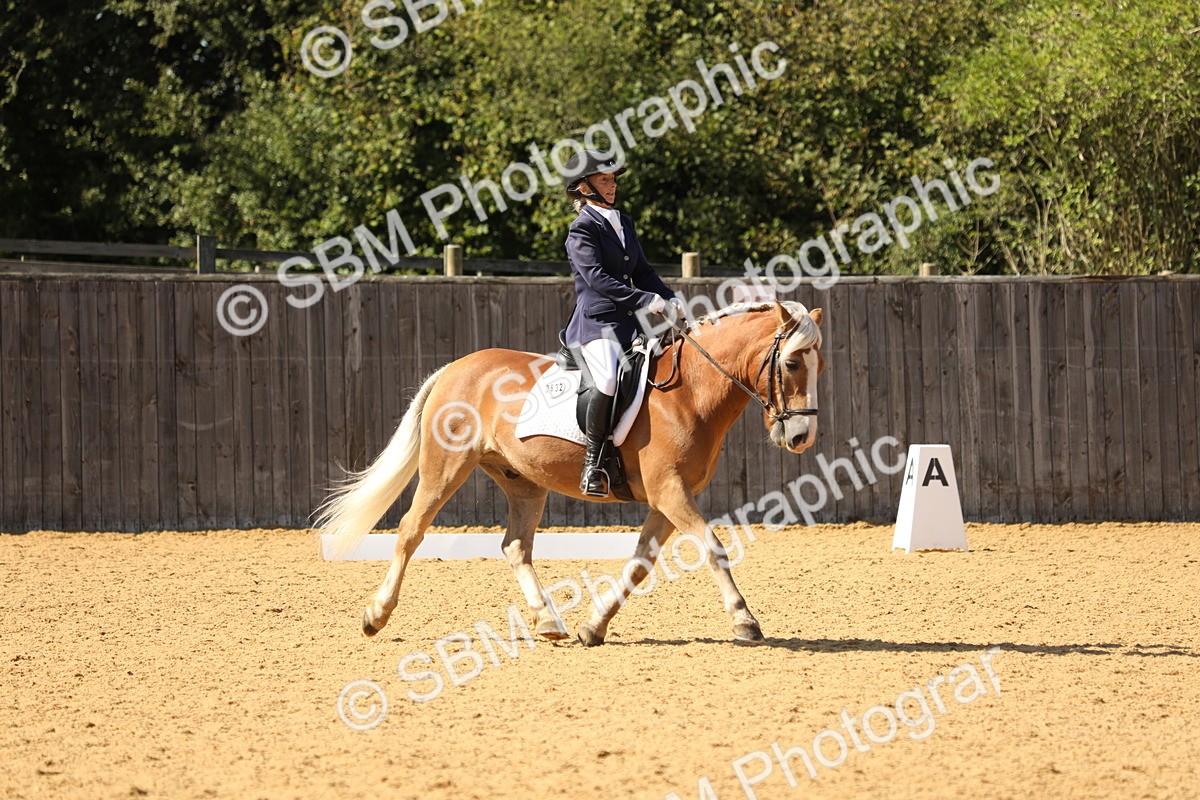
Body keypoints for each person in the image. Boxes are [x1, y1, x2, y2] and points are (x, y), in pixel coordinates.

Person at [560, 149, 684, 497]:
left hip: (629, 322)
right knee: (607, 382)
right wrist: (645, 300)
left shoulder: (623, 222)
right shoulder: (581, 230)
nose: (611, 185)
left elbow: (642, 271)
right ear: (584, 187)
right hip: (596, 323)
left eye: (613, 180)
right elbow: (598, 279)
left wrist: (668, 295)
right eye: (604, 180)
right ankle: (592, 464)